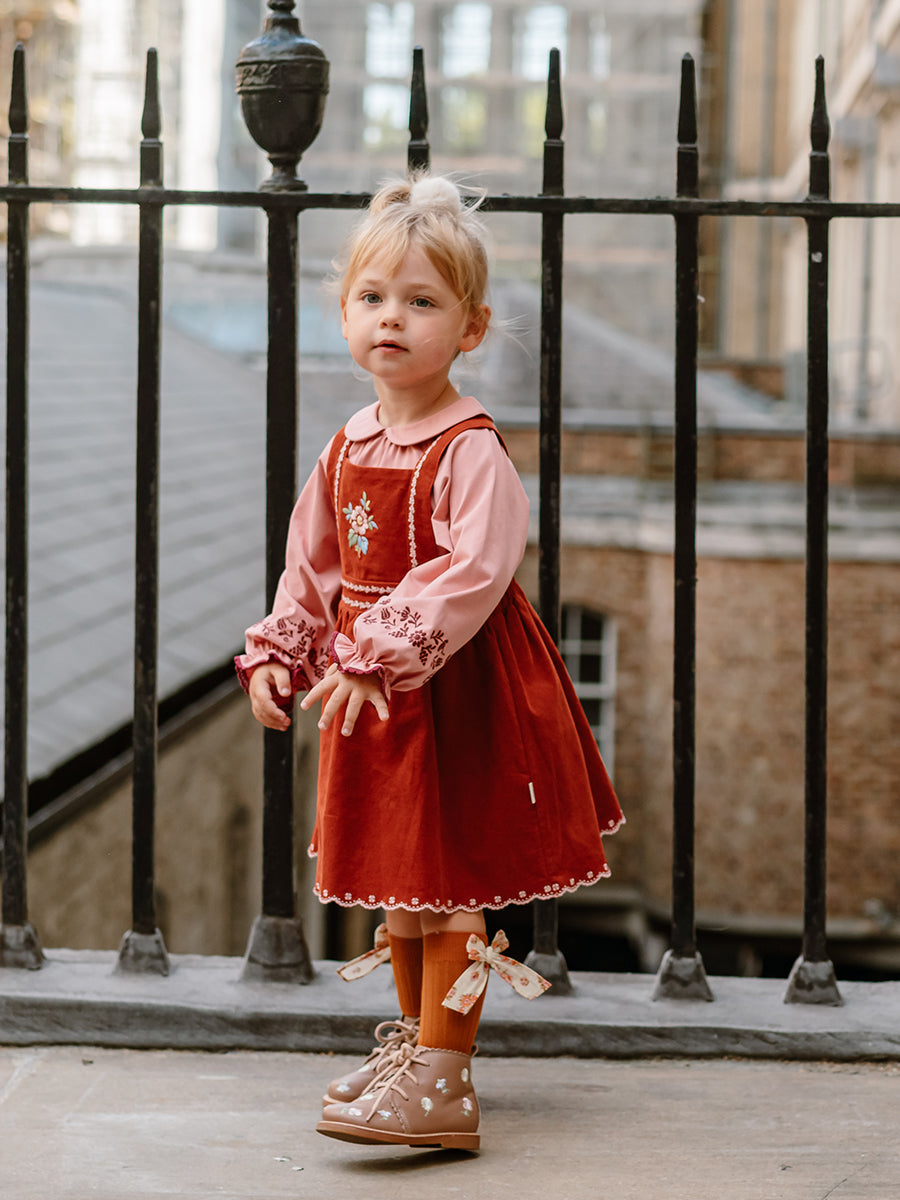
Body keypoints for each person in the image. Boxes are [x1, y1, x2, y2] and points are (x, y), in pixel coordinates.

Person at [236, 173, 623, 1152]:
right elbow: (313, 567)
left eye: (421, 301)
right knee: (403, 889)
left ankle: (447, 1081)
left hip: (452, 691)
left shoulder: (468, 447)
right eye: (372, 298)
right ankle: (417, 1047)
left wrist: (382, 649)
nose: (392, 319)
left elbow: (476, 569)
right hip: (372, 697)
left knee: (447, 886)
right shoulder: (346, 447)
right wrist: (285, 648)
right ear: (344, 314)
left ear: (471, 328)